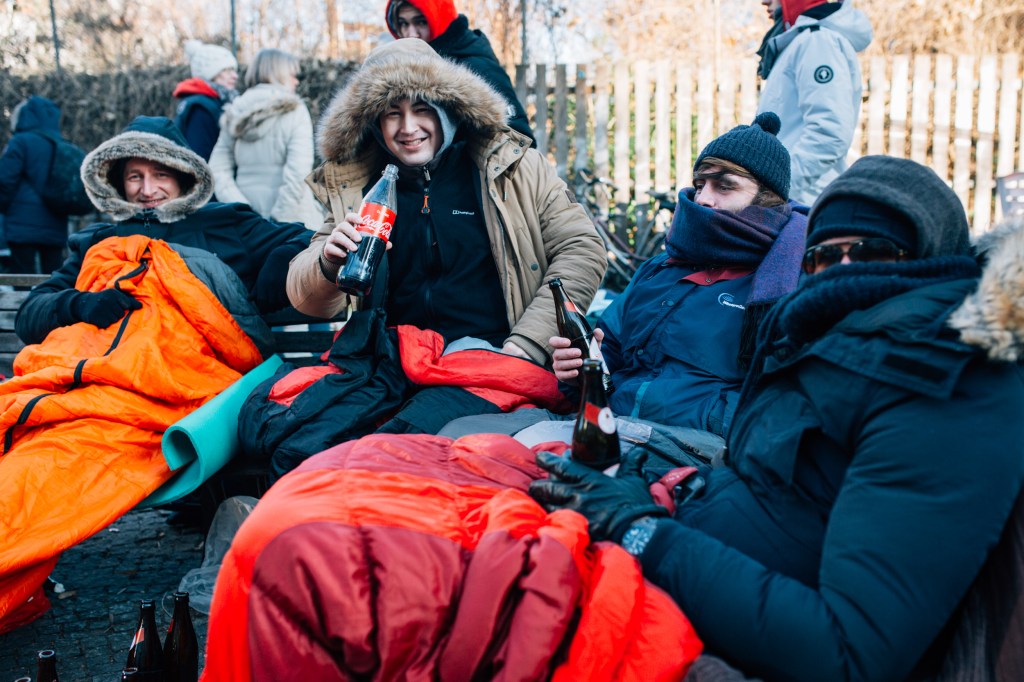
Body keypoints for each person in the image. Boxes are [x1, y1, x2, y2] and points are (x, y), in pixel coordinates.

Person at [529, 155, 1024, 681]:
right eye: (822, 258)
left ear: (929, 256)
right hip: (690, 542)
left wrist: (640, 530)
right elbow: (766, 484)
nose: (843, 271)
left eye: (872, 252)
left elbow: (849, 654)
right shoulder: (823, 342)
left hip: (723, 627)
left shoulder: (946, 385)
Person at [287, 37, 605, 367]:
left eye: (422, 109)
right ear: (375, 123)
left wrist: (526, 344)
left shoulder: (512, 168)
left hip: (494, 359)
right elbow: (306, 299)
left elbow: (581, 247)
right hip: (395, 364)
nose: (408, 128)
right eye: (393, 113)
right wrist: (328, 263)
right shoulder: (360, 187)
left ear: (447, 109)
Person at [550, 112, 806, 438]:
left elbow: (786, 404)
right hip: (608, 432)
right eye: (700, 184)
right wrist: (577, 372)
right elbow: (607, 359)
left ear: (767, 199)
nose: (703, 198)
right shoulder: (659, 269)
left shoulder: (788, 281)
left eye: (725, 186)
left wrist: (705, 421)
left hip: (705, 452)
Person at [15, 115, 311, 345]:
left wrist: (283, 258)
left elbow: (309, 240)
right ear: (119, 183)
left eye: (160, 175)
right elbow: (29, 316)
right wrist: (80, 304)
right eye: (135, 177)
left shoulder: (225, 223)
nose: (147, 190)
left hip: (202, 375)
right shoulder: (100, 242)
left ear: (183, 177)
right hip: (110, 371)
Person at [756, 0, 872, 205]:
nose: (764, 1)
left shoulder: (818, 42)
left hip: (799, 203)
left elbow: (829, 134)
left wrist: (779, 188)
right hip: (789, 201)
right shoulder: (801, 42)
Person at [384, 0, 534, 145]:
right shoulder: (405, 67)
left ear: (440, 18)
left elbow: (519, 140)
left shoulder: (477, 66)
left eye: (421, 22)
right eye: (404, 23)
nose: (411, 34)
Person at [209, 48, 323, 230]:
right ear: (279, 74)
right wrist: (279, 218)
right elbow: (299, 171)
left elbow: (218, 168)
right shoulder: (295, 111)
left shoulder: (235, 111)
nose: (296, 81)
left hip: (246, 223)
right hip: (294, 220)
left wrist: (242, 210)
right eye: (293, 75)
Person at [0, 96, 70, 275]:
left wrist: (3, 207)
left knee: (22, 276)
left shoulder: (20, 141)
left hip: (21, 222)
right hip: (55, 223)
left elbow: (5, 179)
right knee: (53, 278)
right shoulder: (61, 144)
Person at [172, 40, 239, 161]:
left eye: (234, 70)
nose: (235, 76)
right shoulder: (201, 109)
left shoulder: (210, 102)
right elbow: (200, 159)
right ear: (211, 73)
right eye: (227, 70)